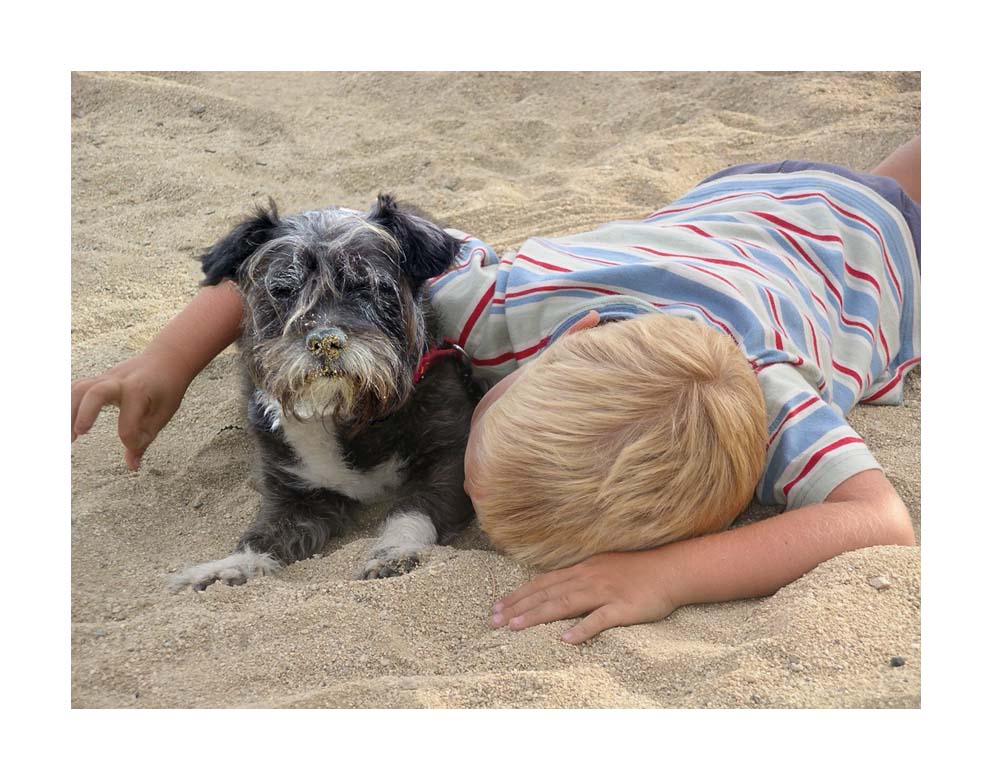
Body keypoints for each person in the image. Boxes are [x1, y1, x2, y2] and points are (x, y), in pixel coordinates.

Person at [71, 136, 921, 643]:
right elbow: (313, 242)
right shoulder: (488, 300)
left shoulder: (765, 397)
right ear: (562, 348)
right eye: (489, 431)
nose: (461, 482)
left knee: (905, 200)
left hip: (873, 264)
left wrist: (666, 574)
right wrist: (167, 361)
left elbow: (879, 520)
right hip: (737, 204)